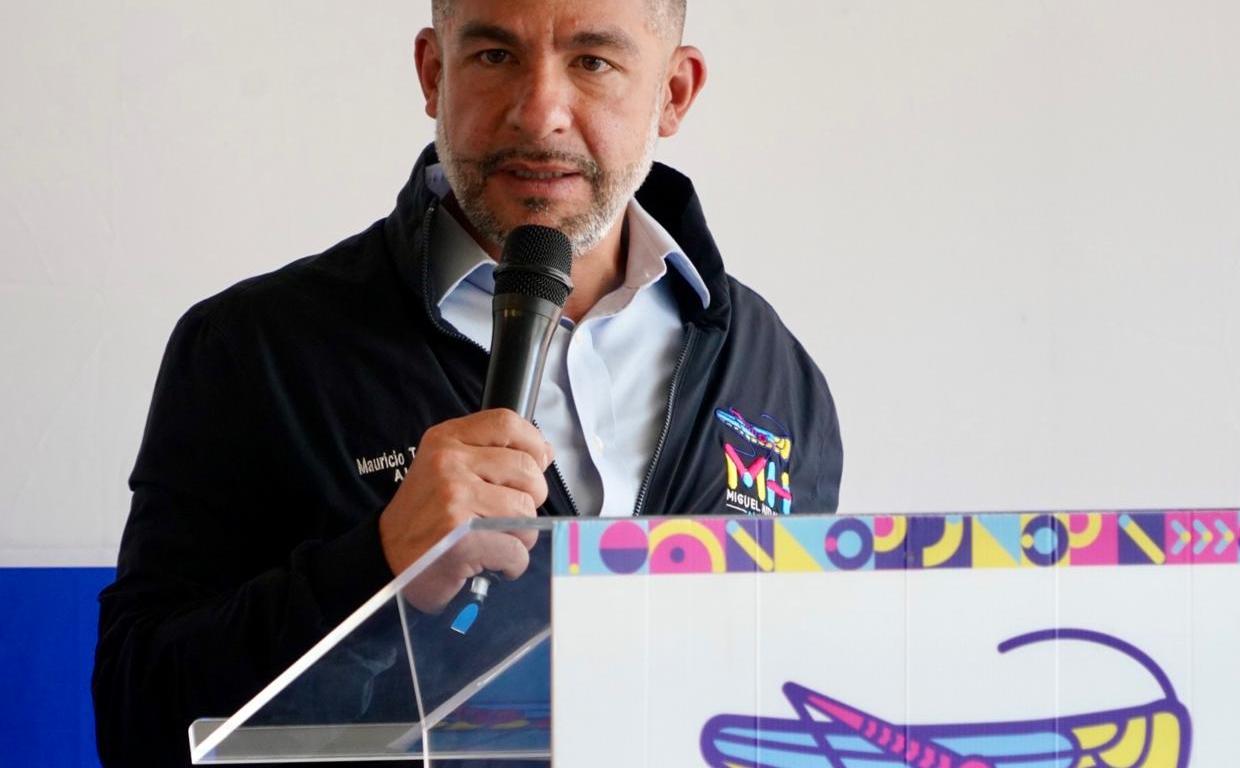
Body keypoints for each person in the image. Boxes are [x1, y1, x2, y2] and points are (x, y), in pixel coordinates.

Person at [93, 0, 843, 765]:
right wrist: (377, 570)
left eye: (592, 62)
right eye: (495, 56)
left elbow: (789, 700)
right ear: (433, 74)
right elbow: (137, 721)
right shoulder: (254, 349)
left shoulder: (773, 373)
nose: (539, 113)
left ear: (674, 92)